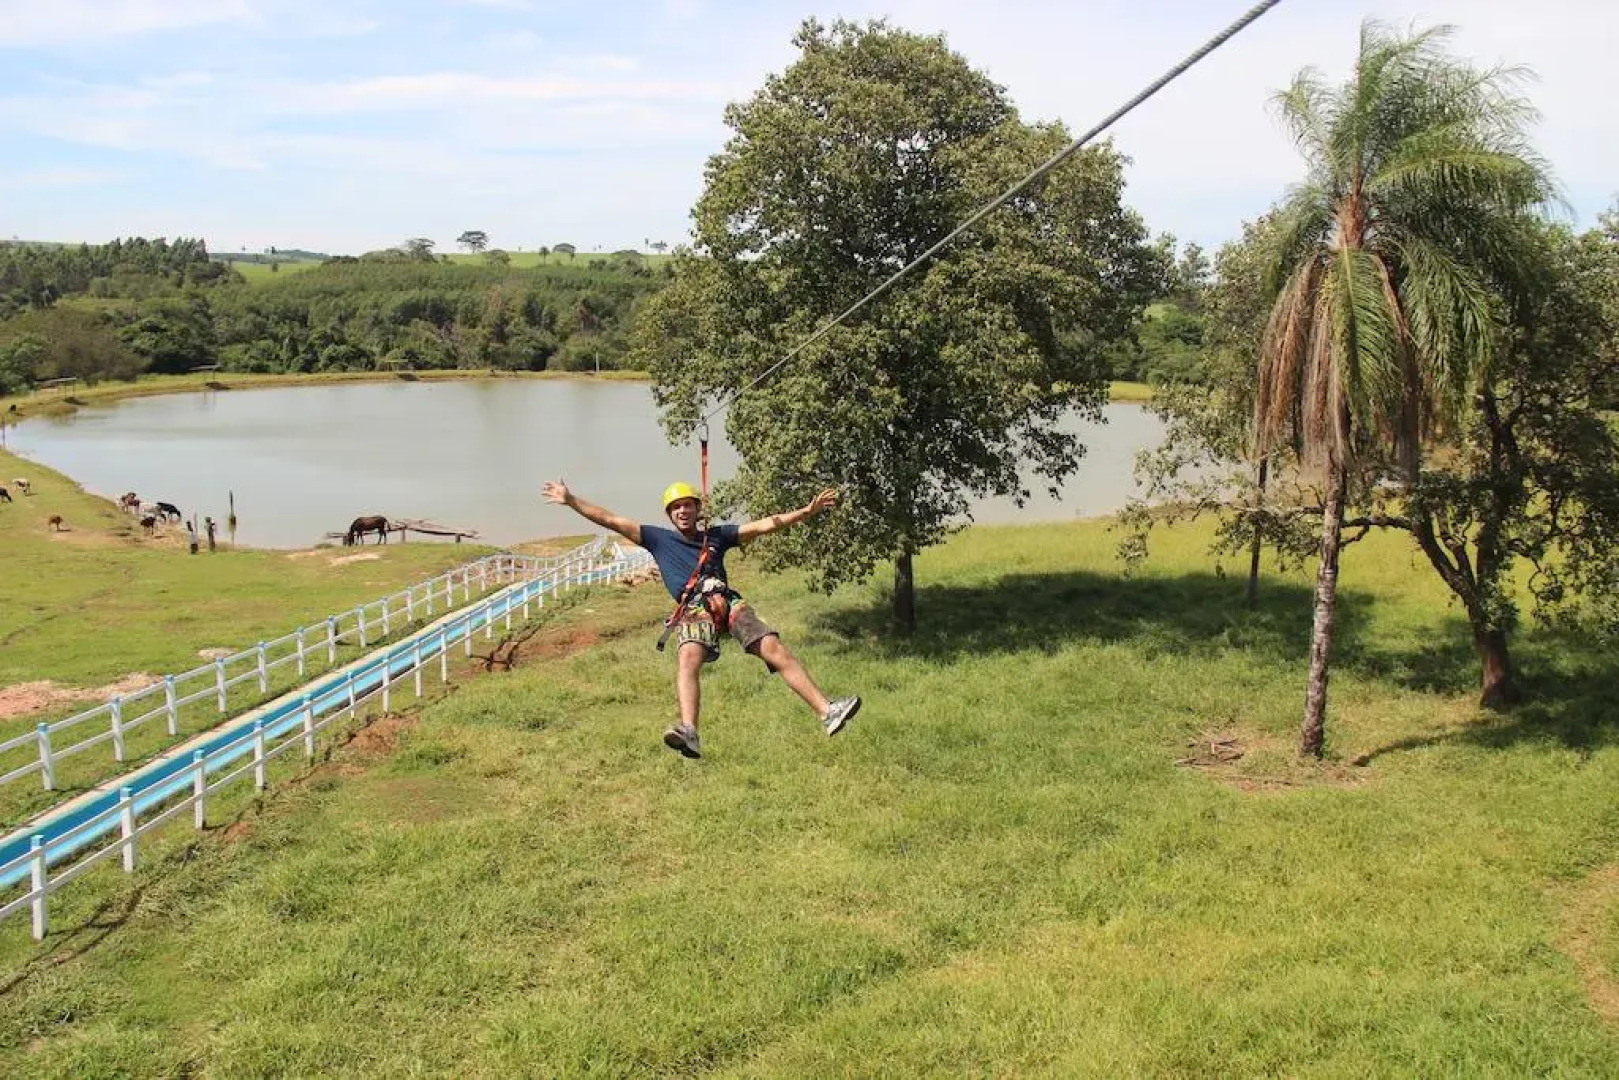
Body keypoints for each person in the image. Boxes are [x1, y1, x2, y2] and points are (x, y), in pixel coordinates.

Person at [541, 478, 861, 759]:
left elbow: (764, 525)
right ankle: (689, 731)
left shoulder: (717, 537)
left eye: (688, 506)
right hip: (694, 608)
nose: (683, 511)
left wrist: (805, 513)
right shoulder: (657, 539)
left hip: (725, 599)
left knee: (774, 648)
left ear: (697, 510)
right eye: (676, 507)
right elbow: (610, 519)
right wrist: (571, 501)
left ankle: (827, 711)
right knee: (688, 657)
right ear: (670, 514)